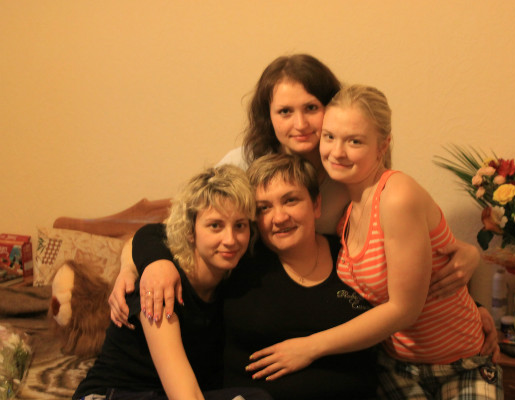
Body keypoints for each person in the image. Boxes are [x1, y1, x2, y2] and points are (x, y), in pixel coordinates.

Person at [109, 54, 486, 328]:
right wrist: (136, 263)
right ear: (268, 117)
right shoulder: (242, 165)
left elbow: (405, 251)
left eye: (311, 107)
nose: (301, 124)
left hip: (330, 305)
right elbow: (176, 228)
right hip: (253, 300)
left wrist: (471, 266)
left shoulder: (351, 172)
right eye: (285, 112)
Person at [244, 85, 503, 399]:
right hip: (396, 369)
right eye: (329, 137)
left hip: (461, 364)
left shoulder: (396, 195)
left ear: (383, 145)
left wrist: (309, 348)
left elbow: (405, 309)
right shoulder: (345, 216)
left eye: (354, 141)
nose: (337, 152)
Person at [130, 154, 378, 400]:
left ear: (316, 204)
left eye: (290, 200)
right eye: (264, 208)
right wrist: (150, 264)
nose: (280, 217)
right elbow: (155, 234)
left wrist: (311, 347)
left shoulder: (352, 256)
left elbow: (392, 313)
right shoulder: (239, 259)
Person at [72, 165, 272, 400]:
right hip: (110, 395)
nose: (230, 240)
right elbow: (185, 396)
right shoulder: (158, 285)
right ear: (190, 231)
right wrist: (129, 268)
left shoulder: (233, 281)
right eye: (215, 225)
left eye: (239, 225)